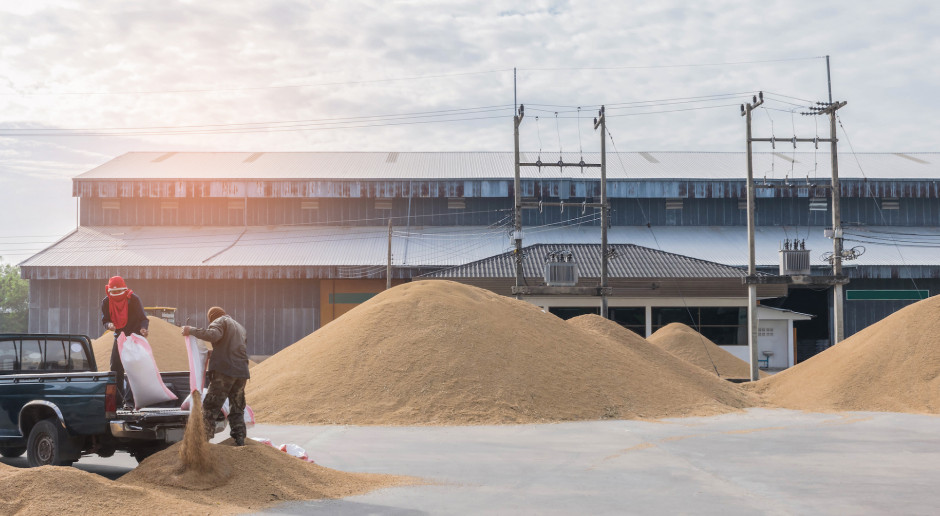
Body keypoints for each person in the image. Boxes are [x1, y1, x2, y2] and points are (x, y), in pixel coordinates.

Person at [182, 307, 250, 446]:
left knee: (210, 406)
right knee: (237, 407)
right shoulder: (239, 327)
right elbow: (235, 348)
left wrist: (191, 330)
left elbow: (213, 335)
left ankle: (202, 442)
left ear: (212, 317)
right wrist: (217, 352)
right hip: (241, 372)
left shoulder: (219, 321)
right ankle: (240, 440)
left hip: (225, 371)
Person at [100, 275, 149, 408]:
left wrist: (143, 329)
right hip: (119, 338)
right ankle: (118, 402)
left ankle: (133, 401)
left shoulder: (133, 300)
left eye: (118, 291)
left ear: (124, 289)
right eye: (113, 292)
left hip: (134, 337)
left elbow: (143, 319)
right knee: (115, 368)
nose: (115, 294)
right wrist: (109, 325)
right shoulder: (106, 302)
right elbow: (105, 321)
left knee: (134, 369)